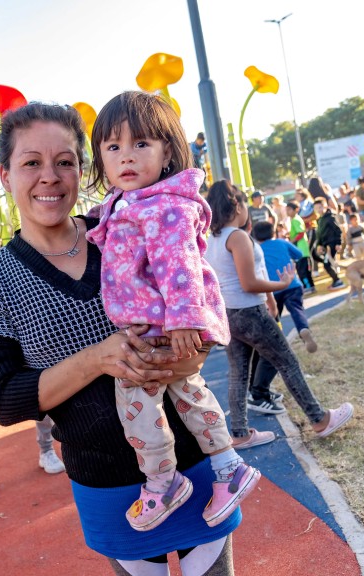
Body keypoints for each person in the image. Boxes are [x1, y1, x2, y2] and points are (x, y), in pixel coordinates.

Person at [0, 101, 250, 576]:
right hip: (109, 483)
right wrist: (99, 358)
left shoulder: (122, 224)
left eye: (66, 161)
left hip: (191, 464)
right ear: (5, 174)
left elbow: (195, 307)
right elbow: (5, 400)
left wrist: (192, 354)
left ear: (84, 167)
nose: (49, 177)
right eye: (31, 163)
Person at [84, 91, 258, 532]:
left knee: (137, 404)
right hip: (154, 322)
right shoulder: (127, 203)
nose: (127, 156)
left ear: (166, 154)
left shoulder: (162, 206)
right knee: (189, 394)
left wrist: (183, 319)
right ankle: (227, 465)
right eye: (113, 147)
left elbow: (179, 263)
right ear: (101, 159)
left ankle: (163, 483)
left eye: (141, 144)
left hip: (163, 326)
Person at [205, 181, 352, 444]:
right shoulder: (236, 236)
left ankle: (239, 434)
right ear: (237, 205)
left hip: (229, 313)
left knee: (238, 373)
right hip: (249, 311)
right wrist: (282, 285)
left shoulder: (212, 239)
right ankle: (319, 419)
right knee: (287, 362)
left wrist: (271, 297)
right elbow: (249, 282)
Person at [252, 220, 317, 353]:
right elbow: (298, 254)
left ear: (255, 236)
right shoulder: (282, 242)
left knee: (274, 317)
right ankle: (303, 329)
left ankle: (278, 343)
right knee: (297, 309)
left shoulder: (257, 250)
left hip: (272, 288)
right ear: (273, 232)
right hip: (292, 284)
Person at [313, 197, 345, 288]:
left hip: (332, 244)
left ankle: (338, 281)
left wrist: (339, 243)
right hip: (325, 245)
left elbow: (338, 230)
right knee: (327, 263)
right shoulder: (319, 220)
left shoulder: (331, 218)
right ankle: (336, 280)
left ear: (325, 206)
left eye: (320, 207)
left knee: (327, 264)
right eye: (316, 208)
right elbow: (319, 234)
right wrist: (319, 245)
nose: (318, 210)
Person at [286, 201, 315, 294]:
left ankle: (307, 287)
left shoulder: (295, 219)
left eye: (289, 210)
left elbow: (301, 233)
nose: (287, 212)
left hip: (300, 249)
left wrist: (292, 241)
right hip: (302, 249)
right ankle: (311, 286)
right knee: (305, 269)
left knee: (302, 270)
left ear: (296, 210)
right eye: (286, 210)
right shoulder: (296, 219)